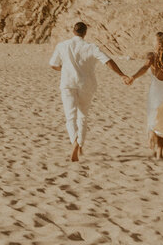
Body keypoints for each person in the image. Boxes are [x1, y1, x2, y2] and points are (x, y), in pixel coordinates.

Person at [49, 21, 129, 162]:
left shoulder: (62, 45)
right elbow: (108, 61)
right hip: (86, 85)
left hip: (68, 83)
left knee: (70, 116)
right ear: (85, 33)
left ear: (73, 31)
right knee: (83, 116)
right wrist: (122, 74)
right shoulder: (91, 47)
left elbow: (53, 65)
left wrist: (65, 69)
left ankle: (74, 141)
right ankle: (80, 145)